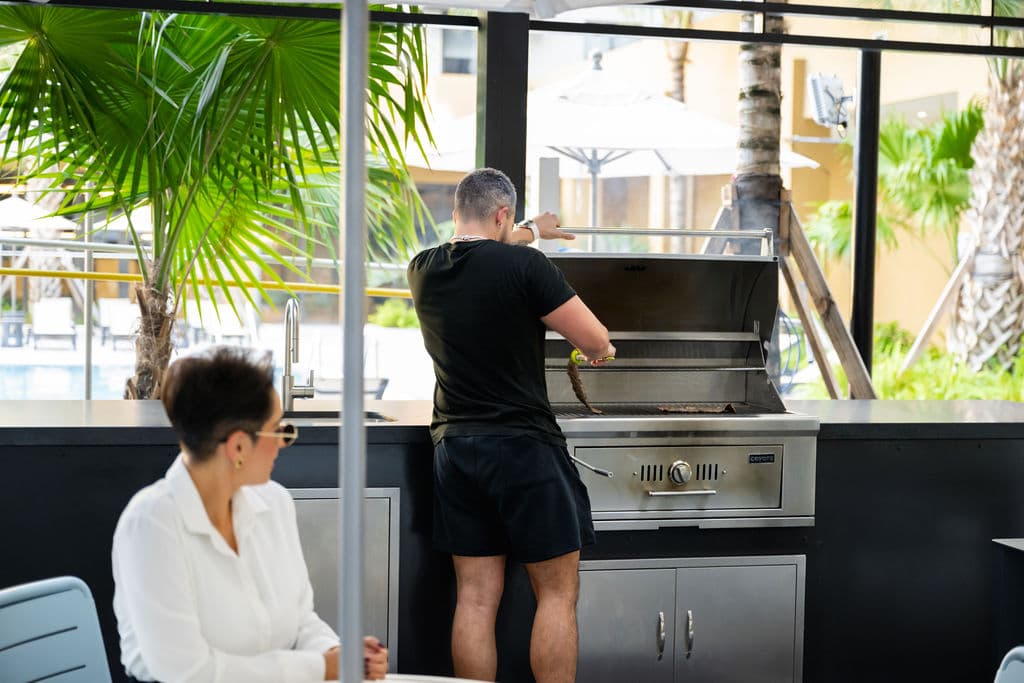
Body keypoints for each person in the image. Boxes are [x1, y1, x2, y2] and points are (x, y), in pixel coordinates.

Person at [407, 167, 615, 683]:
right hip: (524, 447)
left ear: (457, 214)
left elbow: (482, 243)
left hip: (455, 451)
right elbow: (593, 339)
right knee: (557, 594)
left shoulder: (422, 268)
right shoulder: (528, 268)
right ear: (502, 215)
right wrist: (602, 351)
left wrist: (531, 227)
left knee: (475, 599)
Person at [111, 346, 388, 682]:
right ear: (239, 447)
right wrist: (321, 668)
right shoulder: (151, 525)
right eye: (279, 429)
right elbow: (188, 671)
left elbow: (301, 622)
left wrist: (338, 654)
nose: (286, 442)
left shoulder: (274, 504)